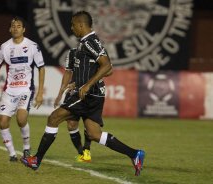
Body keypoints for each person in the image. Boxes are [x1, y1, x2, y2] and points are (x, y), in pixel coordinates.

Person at [20, 11, 145, 176]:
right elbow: (101, 68)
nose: (72, 28)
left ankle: (36, 160)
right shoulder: (86, 42)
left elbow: (107, 66)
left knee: (54, 118)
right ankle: (135, 154)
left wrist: (87, 85)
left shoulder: (89, 42)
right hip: (93, 94)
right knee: (94, 134)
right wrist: (78, 82)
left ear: (81, 24)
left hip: (88, 94)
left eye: (73, 25)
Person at [0, 16, 45, 162]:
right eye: (13, 26)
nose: (15, 28)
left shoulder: (32, 46)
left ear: (24, 29)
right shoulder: (4, 47)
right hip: (9, 90)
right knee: (2, 121)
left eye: (19, 26)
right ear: (9, 29)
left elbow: (41, 68)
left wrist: (39, 93)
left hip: (26, 89)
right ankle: (12, 154)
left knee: (21, 119)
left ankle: (26, 148)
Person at [54, 48, 92, 162]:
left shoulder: (95, 51)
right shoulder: (72, 52)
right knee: (71, 124)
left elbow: (102, 71)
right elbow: (68, 72)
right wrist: (60, 93)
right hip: (73, 91)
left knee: (89, 125)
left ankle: (87, 151)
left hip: (89, 92)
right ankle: (81, 153)